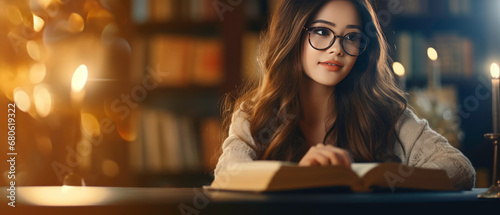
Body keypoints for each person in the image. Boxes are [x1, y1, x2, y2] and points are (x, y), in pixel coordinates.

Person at [214, 0, 475, 190]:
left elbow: (459, 168)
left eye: (351, 37)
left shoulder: (387, 113)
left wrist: (382, 177)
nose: (337, 49)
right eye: (322, 31)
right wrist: (299, 177)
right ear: (292, 35)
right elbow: (227, 176)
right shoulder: (254, 115)